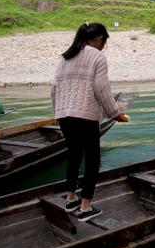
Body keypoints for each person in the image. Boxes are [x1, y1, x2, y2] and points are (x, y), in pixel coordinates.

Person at [51, 22, 130, 222]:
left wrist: (58, 112)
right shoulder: (97, 56)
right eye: (105, 42)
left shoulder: (65, 58)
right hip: (85, 117)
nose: (104, 46)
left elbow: (54, 89)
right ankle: (85, 207)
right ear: (100, 39)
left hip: (64, 115)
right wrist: (115, 114)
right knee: (92, 161)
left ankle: (70, 199)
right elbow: (101, 89)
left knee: (74, 156)